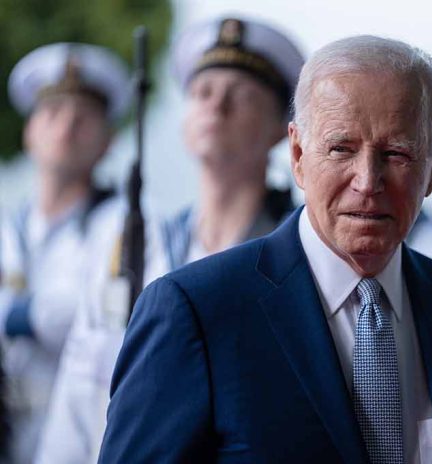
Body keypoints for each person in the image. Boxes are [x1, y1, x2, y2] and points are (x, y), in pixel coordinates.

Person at [98, 34, 432, 463]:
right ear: (299, 154)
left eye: (396, 153)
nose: (367, 182)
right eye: (341, 149)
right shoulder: (197, 311)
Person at [35, 17, 304, 464]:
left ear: (283, 129)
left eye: (241, 96)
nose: (215, 106)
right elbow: (79, 391)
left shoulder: (297, 259)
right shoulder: (133, 246)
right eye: (202, 93)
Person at [0, 42, 130, 463]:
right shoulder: (7, 227)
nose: (67, 126)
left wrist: (13, 314)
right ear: (29, 131)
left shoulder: (125, 223)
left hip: (82, 439)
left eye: (83, 117)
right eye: (53, 113)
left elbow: (108, 316)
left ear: (108, 141)